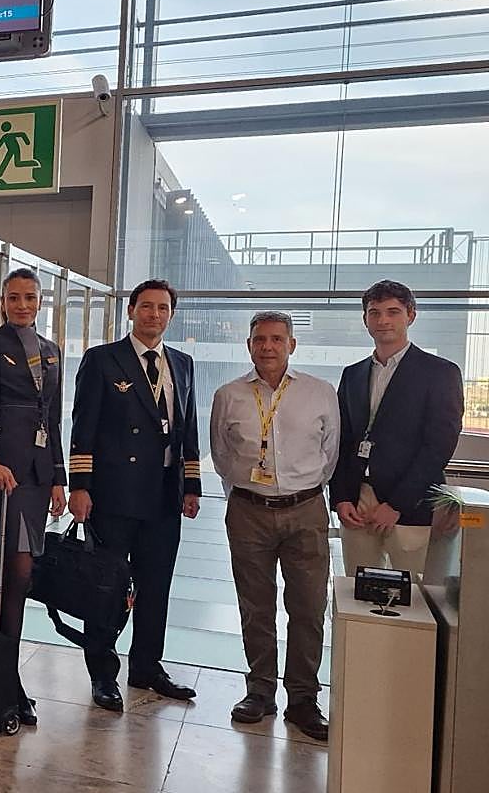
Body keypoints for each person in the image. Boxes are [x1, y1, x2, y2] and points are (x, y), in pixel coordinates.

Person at [68, 278, 202, 712]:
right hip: (113, 495)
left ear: (171, 314)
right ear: (131, 311)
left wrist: (192, 486)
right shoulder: (103, 360)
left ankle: (147, 666)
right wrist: (80, 487)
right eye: (147, 307)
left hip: (164, 496)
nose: (155, 315)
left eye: (163, 308)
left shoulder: (182, 363)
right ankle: (102, 674)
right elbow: (82, 426)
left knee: (156, 586)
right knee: (106, 589)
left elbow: (189, 430)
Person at [210, 311, 339, 741]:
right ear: (249, 346)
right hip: (248, 510)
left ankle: (303, 698)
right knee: (255, 605)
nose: (268, 346)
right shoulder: (229, 394)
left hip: (305, 510)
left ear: (292, 345)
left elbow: (330, 452)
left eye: (277, 339)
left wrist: (300, 487)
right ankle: (260, 690)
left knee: (308, 606)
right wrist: (247, 489)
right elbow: (221, 453)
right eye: (260, 339)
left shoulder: (320, 392)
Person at [0, 268, 66, 727]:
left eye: (30, 298)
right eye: (14, 297)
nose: (22, 305)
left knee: (23, 575)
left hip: (40, 474)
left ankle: (6, 674)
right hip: (4, 471)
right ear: (2, 301)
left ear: (41, 303)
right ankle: (5, 679)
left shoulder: (53, 351)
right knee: (16, 572)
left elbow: (55, 418)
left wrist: (59, 479)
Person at [330, 279, 463, 576]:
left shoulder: (440, 373)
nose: (383, 320)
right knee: (359, 593)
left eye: (393, 311)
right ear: (365, 319)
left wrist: (397, 504)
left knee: (413, 602)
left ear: (411, 315)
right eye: (374, 312)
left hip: (410, 505)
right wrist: (340, 496)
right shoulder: (353, 375)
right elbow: (343, 440)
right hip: (356, 504)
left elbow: (438, 446)